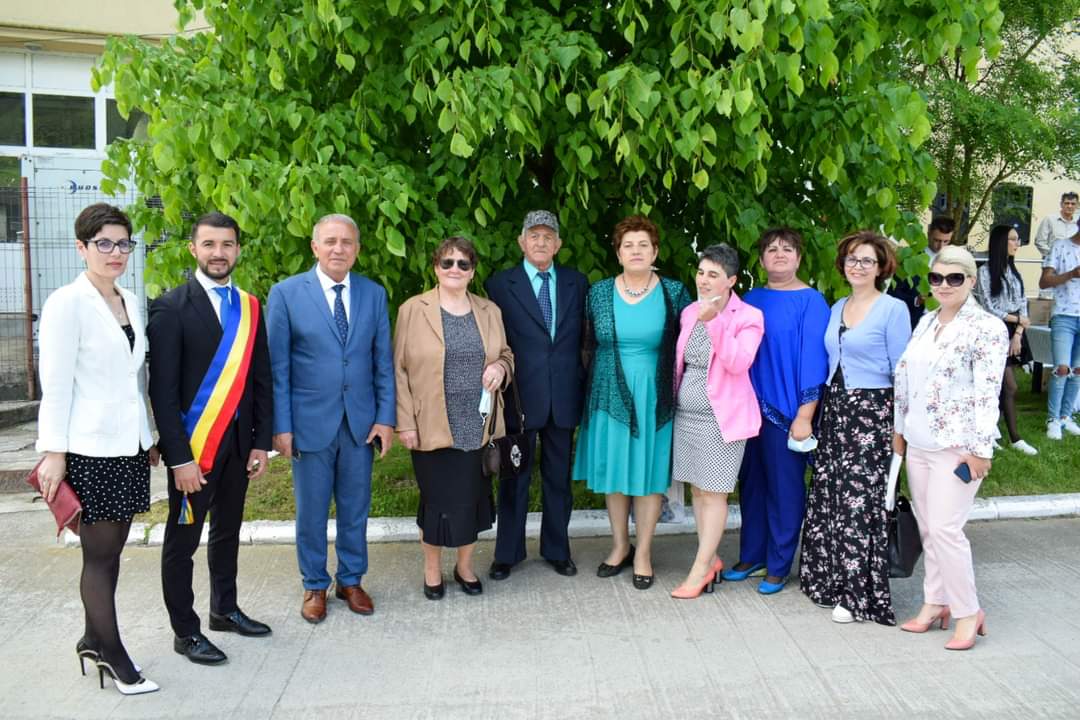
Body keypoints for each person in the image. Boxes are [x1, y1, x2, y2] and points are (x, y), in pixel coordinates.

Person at [35, 203, 159, 694]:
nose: (115, 252)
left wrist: (148, 436)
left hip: (128, 446)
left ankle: (92, 639)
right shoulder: (67, 303)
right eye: (103, 243)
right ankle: (113, 653)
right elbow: (56, 383)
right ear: (81, 247)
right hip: (90, 449)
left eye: (123, 243)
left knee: (113, 552)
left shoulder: (129, 298)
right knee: (100, 558)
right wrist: (54, 451)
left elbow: (135, 377)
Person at [148, 212, 273, 667]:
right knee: (182, 541)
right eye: (209, 244)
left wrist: (260, 442)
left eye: (227, 244)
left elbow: (261, 379)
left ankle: (224, 609)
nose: (219, 253)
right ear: (193, 249)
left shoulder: (251, 307)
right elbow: (162, 393)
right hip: (194, 453)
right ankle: (185, 631)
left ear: (237, 249)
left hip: (238, 448)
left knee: (227, 531)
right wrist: (179, 458)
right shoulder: (170, 307)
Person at [267, 214, 395, 623]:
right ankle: (314, 584)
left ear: (357, 249)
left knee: (356, 508)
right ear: (315, 247)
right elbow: (278, 368)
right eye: (330, 241)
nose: (339, 248)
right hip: (309, 423)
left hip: (360, 423)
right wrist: (281, 426)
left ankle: (351, 580)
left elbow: (382, 362)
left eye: (347, 242)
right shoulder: (286, 294)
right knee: (312, 511)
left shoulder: (373, 294)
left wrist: (385, 418)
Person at [893, 246, 1007, 650]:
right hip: (919, 441)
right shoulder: (926, 321)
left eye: (954, 278)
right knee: (929, 528)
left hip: (958, 447)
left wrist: (980, 449)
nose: (944, 285)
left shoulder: (987, 328)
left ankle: (968, 611)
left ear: (971, 281)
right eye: (936, 277)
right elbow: (905, 378)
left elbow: (987, 393)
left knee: (946, 529)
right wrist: (900, 429)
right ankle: (935, 601)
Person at [573, 215, 691, 590]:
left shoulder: (674, 292)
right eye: (628, 245)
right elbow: (586, 346)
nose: (636, 251)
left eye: (644, 245)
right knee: (616, 474)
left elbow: (689, 344)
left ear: (655, 252)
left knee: (649, 475)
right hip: (609, 394)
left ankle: (644, 553)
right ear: (618, 253)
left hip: (654, 395)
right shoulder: (598, 292)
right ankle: (620, 546)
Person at [799, 231, 911, 624]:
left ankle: (858, 594)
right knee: (830, 497)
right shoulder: (837, 306)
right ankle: (828, 582)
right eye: (851, 258)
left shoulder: (893, 309)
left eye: (866, 260)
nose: (857, 266)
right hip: (836, 411)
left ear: (881, 267)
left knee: (860, 504)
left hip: (872, 415)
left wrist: (900, 429)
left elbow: (903, 374)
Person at [394, 237, 514, 599]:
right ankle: (432, 570)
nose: (455, 269)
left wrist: (500, 367)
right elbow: (398, 369)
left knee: (472, 499)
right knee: (436, 502)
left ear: (473, 271)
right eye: (447, 262)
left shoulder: (489, 311)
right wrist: (405, 422)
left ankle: (464, 566)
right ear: (436, 268)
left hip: (477, 424)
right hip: (429, 422)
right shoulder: (413, 309)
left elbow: (507, 354)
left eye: (463, 263)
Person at [722, 227, 829, 594]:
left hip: (787, 413)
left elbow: (814, 361)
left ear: (799, 257)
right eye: (771, 249)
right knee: (751, 485)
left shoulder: (811, 302)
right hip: (746, 409)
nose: (779, 254)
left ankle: (780, 564)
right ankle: (753, 555)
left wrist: (805, 414)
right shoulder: (749, 299)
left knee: (785, 491)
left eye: (787, 249)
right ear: (761, 259)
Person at [484, 211, 588, 580]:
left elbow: (583, 340)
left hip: (564, 396)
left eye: (548, 236)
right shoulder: (500, 285)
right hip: (519, 397)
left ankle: (557, 550)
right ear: (521, 242)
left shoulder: (577, 282)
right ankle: (507, 554)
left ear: (558, 244)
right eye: (534, 235)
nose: (541, 242)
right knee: (514, 478)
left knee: (558, 479)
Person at [670, 244, 763, 599]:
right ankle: (710, 559)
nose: (704, 280)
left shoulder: (748, 317)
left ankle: (700, 568)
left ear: (731, 281)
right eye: (701, 272)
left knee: (714, 492)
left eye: (713, 274)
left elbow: (739, 362)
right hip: (687, 416)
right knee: (698, 490)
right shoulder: (689, 311)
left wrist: (714, 322)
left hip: (722, 420)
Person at [973, 224, 1037, 454]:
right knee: (1007, 385)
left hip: (1013, 331)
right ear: (1001, 242)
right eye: (1012, 239)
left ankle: (993, 431)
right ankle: (1013, 437)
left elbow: (1023, 302)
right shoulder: (985, 272)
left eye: (1017, 239)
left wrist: (1018, 332)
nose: (1017, 244)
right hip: (993, 331)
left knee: (1002, 386)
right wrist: (1017, 319)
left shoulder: (1013, 271)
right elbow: (989, 307)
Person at [1039, 225, 1080, 440]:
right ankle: (1053, 419)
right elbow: (1044, 282)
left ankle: (1066, 416)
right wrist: (1071, 274)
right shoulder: (1060, 246)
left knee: (1078, 370)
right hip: (1064, 314)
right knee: (1062, 368)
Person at [889, 216, 955, 330]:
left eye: (946, 241)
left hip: (945, 325)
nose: (941, 246)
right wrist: (916, 300)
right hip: (914, 324)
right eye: (937, 240)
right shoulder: (910, 258)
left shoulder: (954, 261)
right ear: (928, 233)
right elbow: (893, 293)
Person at [1033, 192, 1078, 259]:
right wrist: (1053, 255)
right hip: (1052, 262)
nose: (1069, 206)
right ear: (1061, 204)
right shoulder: (1049, 219)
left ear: (1077, 206)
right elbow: (1039, 241)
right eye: (1067, 203)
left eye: (1073, 204)